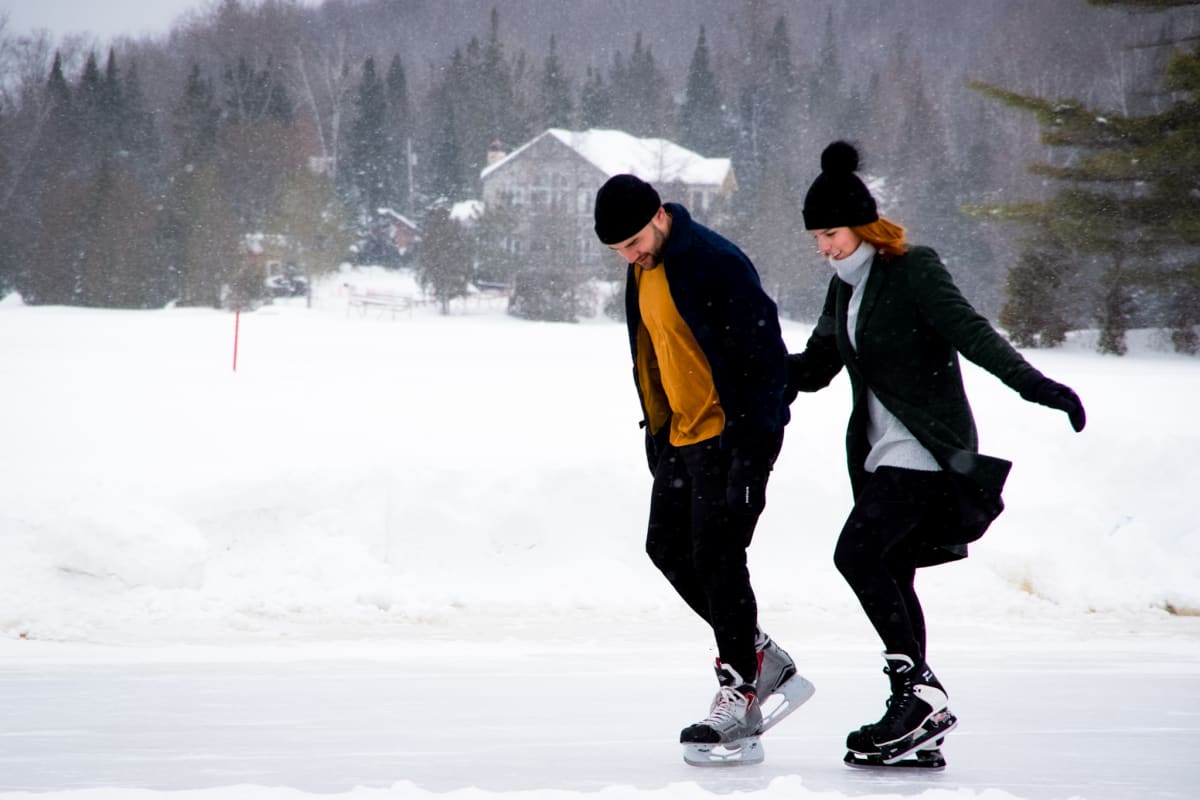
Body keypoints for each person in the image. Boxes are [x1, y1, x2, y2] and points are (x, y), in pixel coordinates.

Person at [785, 142, 1086, 768]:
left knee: (857, 553)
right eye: (816, 237)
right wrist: (742, 372)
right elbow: (814, 369)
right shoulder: (844, 290)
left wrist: (1041, 387)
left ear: (863, 226)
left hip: (923, 449)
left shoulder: (913, 268)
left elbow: (972, 333)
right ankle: (918, 721)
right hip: (879, 456)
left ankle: (918, 695)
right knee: (891, 570)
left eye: (832, 234)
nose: (824, 248)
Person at [593, 174, 814, 765]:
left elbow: (767, 357)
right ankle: (760, 654)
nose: (630, 255)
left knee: (718, 556)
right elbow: (654, 353)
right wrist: (658, 432)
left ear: (660, 215)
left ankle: (740, 685)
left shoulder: (715, 262)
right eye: (618, 250)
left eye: (635, 241)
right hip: (680, 438)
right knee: (666, 547)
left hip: (733, 437)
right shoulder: (642, 271)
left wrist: (754, 446)